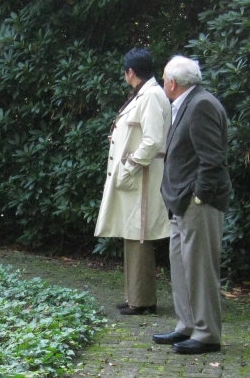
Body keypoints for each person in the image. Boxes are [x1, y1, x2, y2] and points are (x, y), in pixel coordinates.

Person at [152, 56, 231, 355]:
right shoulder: (187, 103)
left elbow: (213, 160)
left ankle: (207, 333)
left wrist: (198, 196)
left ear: (173, 82)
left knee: (200, 270)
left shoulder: (201, 105)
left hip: (198, 202)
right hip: (180, 202)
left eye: (164, 78)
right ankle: (187, 325)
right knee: (181, 267)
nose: (162, 83)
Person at [95, 48, 171, 315]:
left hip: (142, 176)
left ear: (130, 72)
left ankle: (143, 301)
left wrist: (129, 166)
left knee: (140, 235)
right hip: (137, 176)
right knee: (132, 234)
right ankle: (134, 297)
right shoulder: (144, 94)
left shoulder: (150, 96)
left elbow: (152, 140)